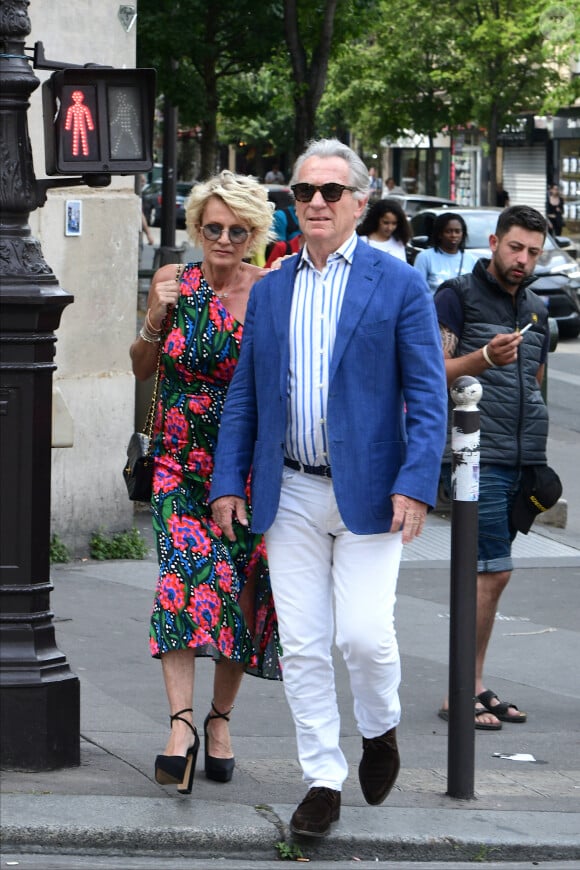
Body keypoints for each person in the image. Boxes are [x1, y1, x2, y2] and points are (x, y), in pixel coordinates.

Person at [209, 139, 448, 837]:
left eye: (331, 192)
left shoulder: (397, 282)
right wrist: (229, 481)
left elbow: (429, 398)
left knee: (367, 638)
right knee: (306, 645)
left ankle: (381, 730)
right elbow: (246, 398)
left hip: (372, 491)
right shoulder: (273, 287)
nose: (315, 202)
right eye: (304, 192)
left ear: (360, 202)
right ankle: (322, 778)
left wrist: (416, 484)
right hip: (290, 491)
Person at [130, 170, 281, 796]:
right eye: (212, 227)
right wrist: (154, 318)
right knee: (184, 581)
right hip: (175, 462)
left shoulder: (272, 292)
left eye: (236, 230)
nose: (223, 239)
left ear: (254, 234)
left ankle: (220, 721)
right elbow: (141, 367)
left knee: (239, 594)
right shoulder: (175, 285)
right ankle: (181, 727)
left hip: (243, 469)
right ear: (197, 228)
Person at [434, 205, 556, 730]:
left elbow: (535, 384)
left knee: (489, 573)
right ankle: (462, 690)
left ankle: (473, 682)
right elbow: (431, 373)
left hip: (520, 458)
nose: (523, 259)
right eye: (515, 248)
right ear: (493, 242)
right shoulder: (455, 295)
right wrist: (484, 356)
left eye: (532, 252)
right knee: (490, 569)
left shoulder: (538, 310)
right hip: (471, 454)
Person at [413, 212, 478, 294]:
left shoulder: (472, 259)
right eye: (448, 231)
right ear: (440, 234)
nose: (454, 235)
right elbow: (417, 290)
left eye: (457, 231)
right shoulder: (424, 257)